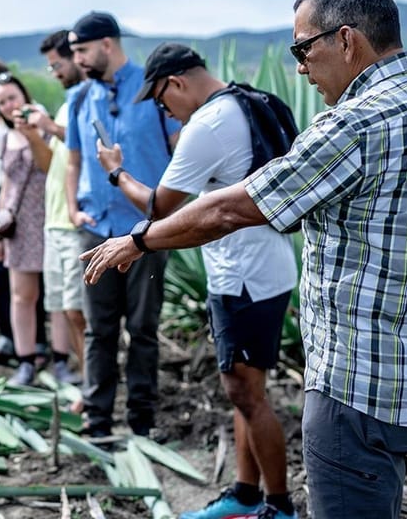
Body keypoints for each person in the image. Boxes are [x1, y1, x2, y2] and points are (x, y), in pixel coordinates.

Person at [81, 0, 407, 519]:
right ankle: (251, 496)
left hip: (353, 390)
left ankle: (267, 501)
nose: (299, 66)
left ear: (346, 39)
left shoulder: (354, 124)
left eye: (303, 48)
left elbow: (226, 208)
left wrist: (138, 241)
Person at [96, 42, 298, 518]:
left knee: (246, 394)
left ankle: (279, 507)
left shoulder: (207, 124)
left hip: (244, 279)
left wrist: (116, 173)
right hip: (266, 269)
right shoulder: (249, 101)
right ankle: (246, 496)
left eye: (163, 102)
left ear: (177, 83)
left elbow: (158, 209)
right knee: (245, 391)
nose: (166, 113)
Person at [66, 11, 179, 438]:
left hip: (146, 233)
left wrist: (165, 213)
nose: (76, 59)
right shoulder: (79, 98)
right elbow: (73, 161)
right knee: (99, 331)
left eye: (81, 50)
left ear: (107, 45)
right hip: (96, 230)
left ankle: (142, 421)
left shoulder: (152, 91)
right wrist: (73, 210)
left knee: (143, 329)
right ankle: (97, 420)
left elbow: (177, 151)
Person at [0, 58, 48, 364]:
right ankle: (13, 339)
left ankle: (40, 343)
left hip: (33, 198)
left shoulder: (36, 116)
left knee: (37, 279)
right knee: (2, 274)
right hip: (5, 194)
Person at [22, 29, 88, 388]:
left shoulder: (86, 99)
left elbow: (88, 147)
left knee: (80, 312)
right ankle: (84, 376)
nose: (56, 72)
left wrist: (50, 126)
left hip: (74, 225)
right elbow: (52, 165)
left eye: (57, 64)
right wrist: (36, 134)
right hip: (55, 221)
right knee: (65, 309)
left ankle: (92, 382)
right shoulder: (66, 103)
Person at [0, 73, 51, 386]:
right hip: (18, 224)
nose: (8, 105)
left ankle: (62, 359)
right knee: (21, 296)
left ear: (23, 95)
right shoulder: (4, 137)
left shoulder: (46, 125)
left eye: (11, 98)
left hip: (48, 217)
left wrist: (33, 135)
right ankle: (25, 361)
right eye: (1, 102)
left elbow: (50, 166)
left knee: (55, 296)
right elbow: (6, 185)